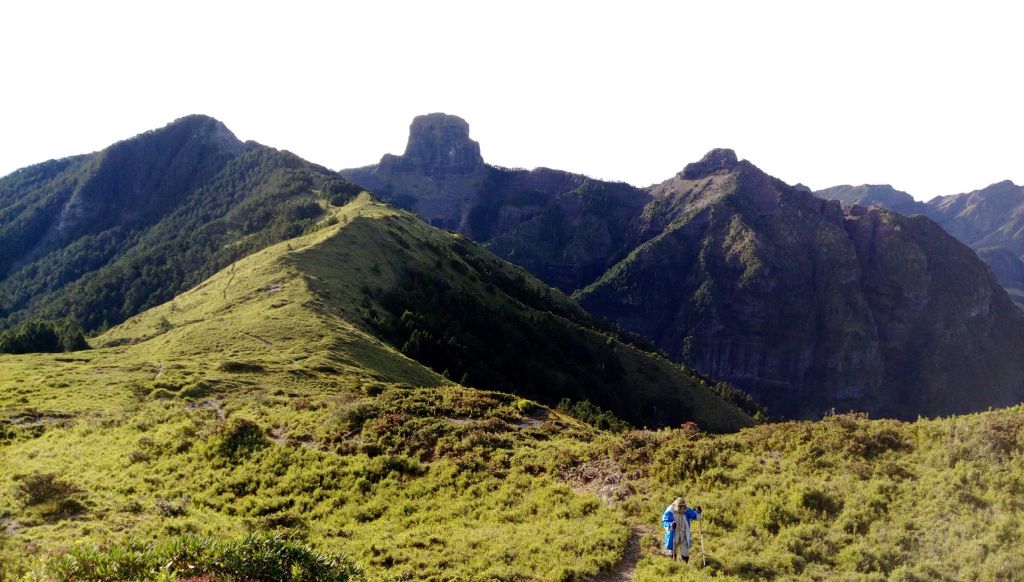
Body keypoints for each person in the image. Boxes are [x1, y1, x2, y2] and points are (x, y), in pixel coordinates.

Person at [662, 497, 702, 562]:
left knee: (685, 554)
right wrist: (671, 525)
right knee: (672, 552)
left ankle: (684, 567)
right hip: (674, 535)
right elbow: (665, 521)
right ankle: (673, 566)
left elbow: (696, 516)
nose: (681, 509)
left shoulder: (686, 510)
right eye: (679, 507)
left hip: (684, 535)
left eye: (682, 507)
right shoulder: (670, 511)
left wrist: (698, 512)